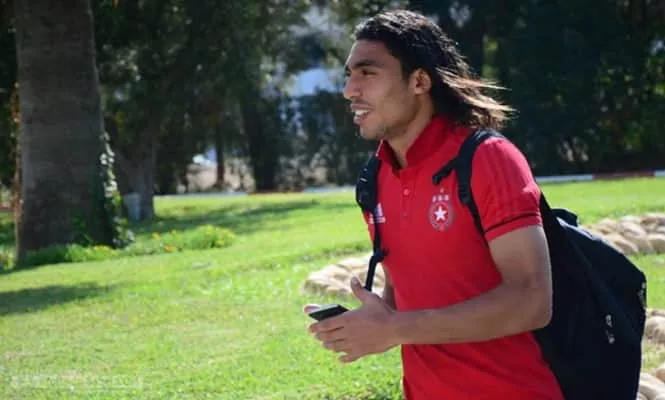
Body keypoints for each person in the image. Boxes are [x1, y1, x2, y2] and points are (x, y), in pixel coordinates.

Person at [303, 9, 565, 400]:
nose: (349, 90)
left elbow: (531, 299)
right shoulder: (376, 178)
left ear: (420, 81)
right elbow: (410, 294)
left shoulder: (487, 159)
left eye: (368, 73)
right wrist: (371, 322)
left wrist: (395, 328)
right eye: (349, 75)